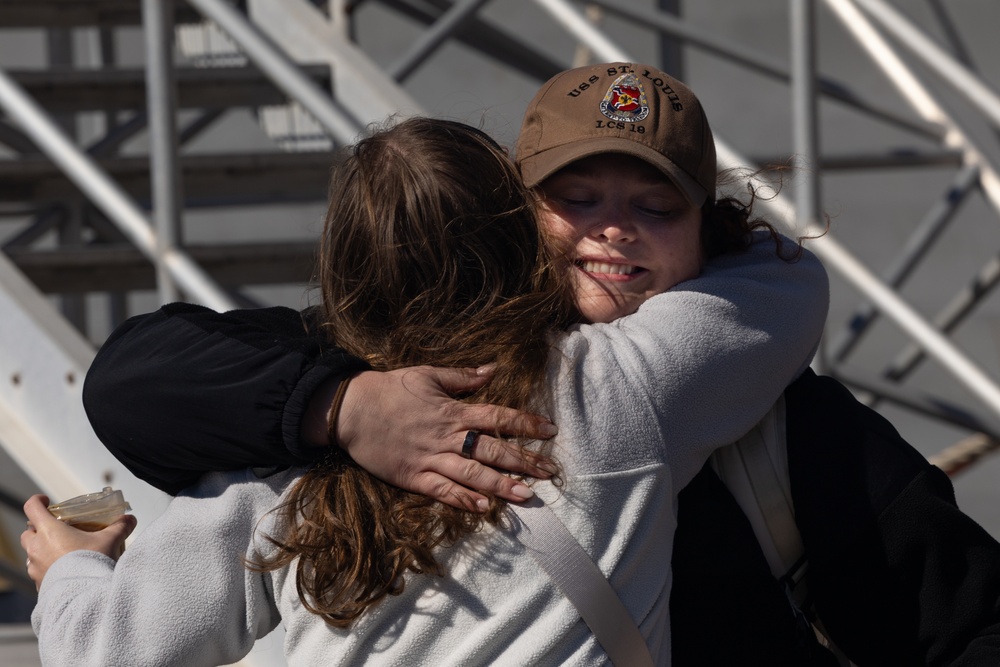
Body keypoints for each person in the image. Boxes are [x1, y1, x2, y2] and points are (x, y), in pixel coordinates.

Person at [46, 61, 1000, 666]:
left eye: (656, 207)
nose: (614, 230)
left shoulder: (798, 429)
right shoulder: (351, 375)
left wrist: (72, 575)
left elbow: (966, 628)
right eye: (576, 198)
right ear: (514, 216)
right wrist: (346, 405)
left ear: (707, 229)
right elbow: (131, 381)